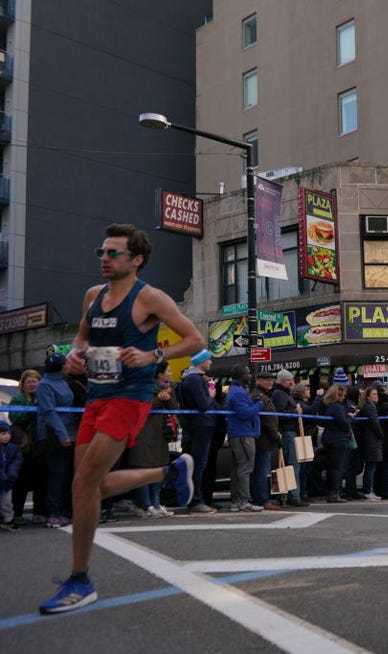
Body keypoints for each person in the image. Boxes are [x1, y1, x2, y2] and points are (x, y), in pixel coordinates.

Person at [39, 223, 202, 614]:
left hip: (130, 399)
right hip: (96, 397)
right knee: (88, 487)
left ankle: (80, 580)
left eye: (114, 253)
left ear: (137, 260)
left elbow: (196, 340)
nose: (105, 259)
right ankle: (169, 473)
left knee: (82, 485)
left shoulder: (152, 299)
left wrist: (153, 356)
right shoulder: (93, 296)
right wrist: (75, 355)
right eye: (102, 252)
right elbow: (81, 338)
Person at [129, 362, 178, 518]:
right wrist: (158, 398)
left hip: (160, 434)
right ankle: (145, 505)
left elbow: (175, 408)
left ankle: (155, 503)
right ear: (159, 374)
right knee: (144, 468)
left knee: (159, 468)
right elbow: (141, 409)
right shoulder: (141, 387)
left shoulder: (168, 387)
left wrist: (167, 396)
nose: (170, 372)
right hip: (143, 433)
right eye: (168, 370)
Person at [35, 353, 77, 529]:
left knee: (67, 473)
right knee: (56, 473)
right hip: (53, 432)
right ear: (61, 366)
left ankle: (65, 510)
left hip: (69, 429)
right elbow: (49, 412)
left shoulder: (63, 381)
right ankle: (53, 513)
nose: (68, 365)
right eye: (66, 363)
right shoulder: (44, 385)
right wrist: (63, 435)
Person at [178, 348, 219, 514]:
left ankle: (192, 499)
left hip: (195, 426)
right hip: (200, 427)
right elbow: (203, 405)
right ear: (201, 362)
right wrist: (210, 394)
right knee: (198, 465)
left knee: (194, 466)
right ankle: (196, 501)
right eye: (208, 359)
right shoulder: (194, 380)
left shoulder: (190, 378)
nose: (211, 362)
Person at [225, 364, 264, 512]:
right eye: (247, 373)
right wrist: (259, 405)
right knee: (245, 467)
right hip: (243, 434)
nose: (250, 376)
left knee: (237, 468)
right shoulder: (238, 393)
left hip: (237, 433)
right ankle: (244, 501)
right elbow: (245, 414)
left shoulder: (235, 390)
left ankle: (236, 501)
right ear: (241, 375)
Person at [271, 369, 309, 507]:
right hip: (288, 432)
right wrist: (295, 411)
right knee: (293, 465)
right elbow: (280, 413)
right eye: (288, 380)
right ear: (282, 381)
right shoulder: (280, 394)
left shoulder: (284, 394)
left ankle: (287, 495)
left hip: (290, 431)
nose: (292, 382)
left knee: (290, 465)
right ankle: (293, 495)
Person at [9, 369, 42, 525]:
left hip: (40, 444)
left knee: (40, 479)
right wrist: (31, 409)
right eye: (29, 382)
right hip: (23, 446)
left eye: (35, 381)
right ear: (23, 385)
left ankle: (38, 512)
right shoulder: (18, 400)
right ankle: (18, 513)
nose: (32, 384)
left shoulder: (43, 398)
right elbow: (15, 417)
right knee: (21, 480)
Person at [317, 382, 354, 503]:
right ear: (337, 396)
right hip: (338, 439)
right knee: (337, 468)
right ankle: (334, 493)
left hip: (330, 438)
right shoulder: (337, 407)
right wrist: (349, 417)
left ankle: (332, 492)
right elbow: (343, 423)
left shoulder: (328, 406)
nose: (343, 397)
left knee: (332, 467)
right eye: (342, 395)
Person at [251, 370, 281, 510]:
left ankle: (259, 499)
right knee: (262, 471)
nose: (270, 382)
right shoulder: (259, 396)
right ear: (259, 381)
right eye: (266, 380)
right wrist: (276, 436)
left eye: (271, 380)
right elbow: (268, 421)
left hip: (263, 438)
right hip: (263, 439)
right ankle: (262, 500)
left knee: (260, 470)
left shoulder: (263, 395)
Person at [354, 384, 383, 502]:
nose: (376, 396)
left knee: (370, 466)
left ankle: (368, 490)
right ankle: (367, 491)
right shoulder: (370, 407)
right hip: (371, 440)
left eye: (377, 394)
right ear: (369, 397)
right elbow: (375, 423)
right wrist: (381, 435)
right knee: (371, 466)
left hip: (368, 440)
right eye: (374, 394)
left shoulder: (367, 406)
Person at [0, 421, 22, 531]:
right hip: (2, 478)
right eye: (3, 434)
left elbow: (16, 462)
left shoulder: (13, 448)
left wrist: (11, 474)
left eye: (8, 433)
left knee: (6, 502)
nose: (7, 436)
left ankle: (8, 520)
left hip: (7, 482)